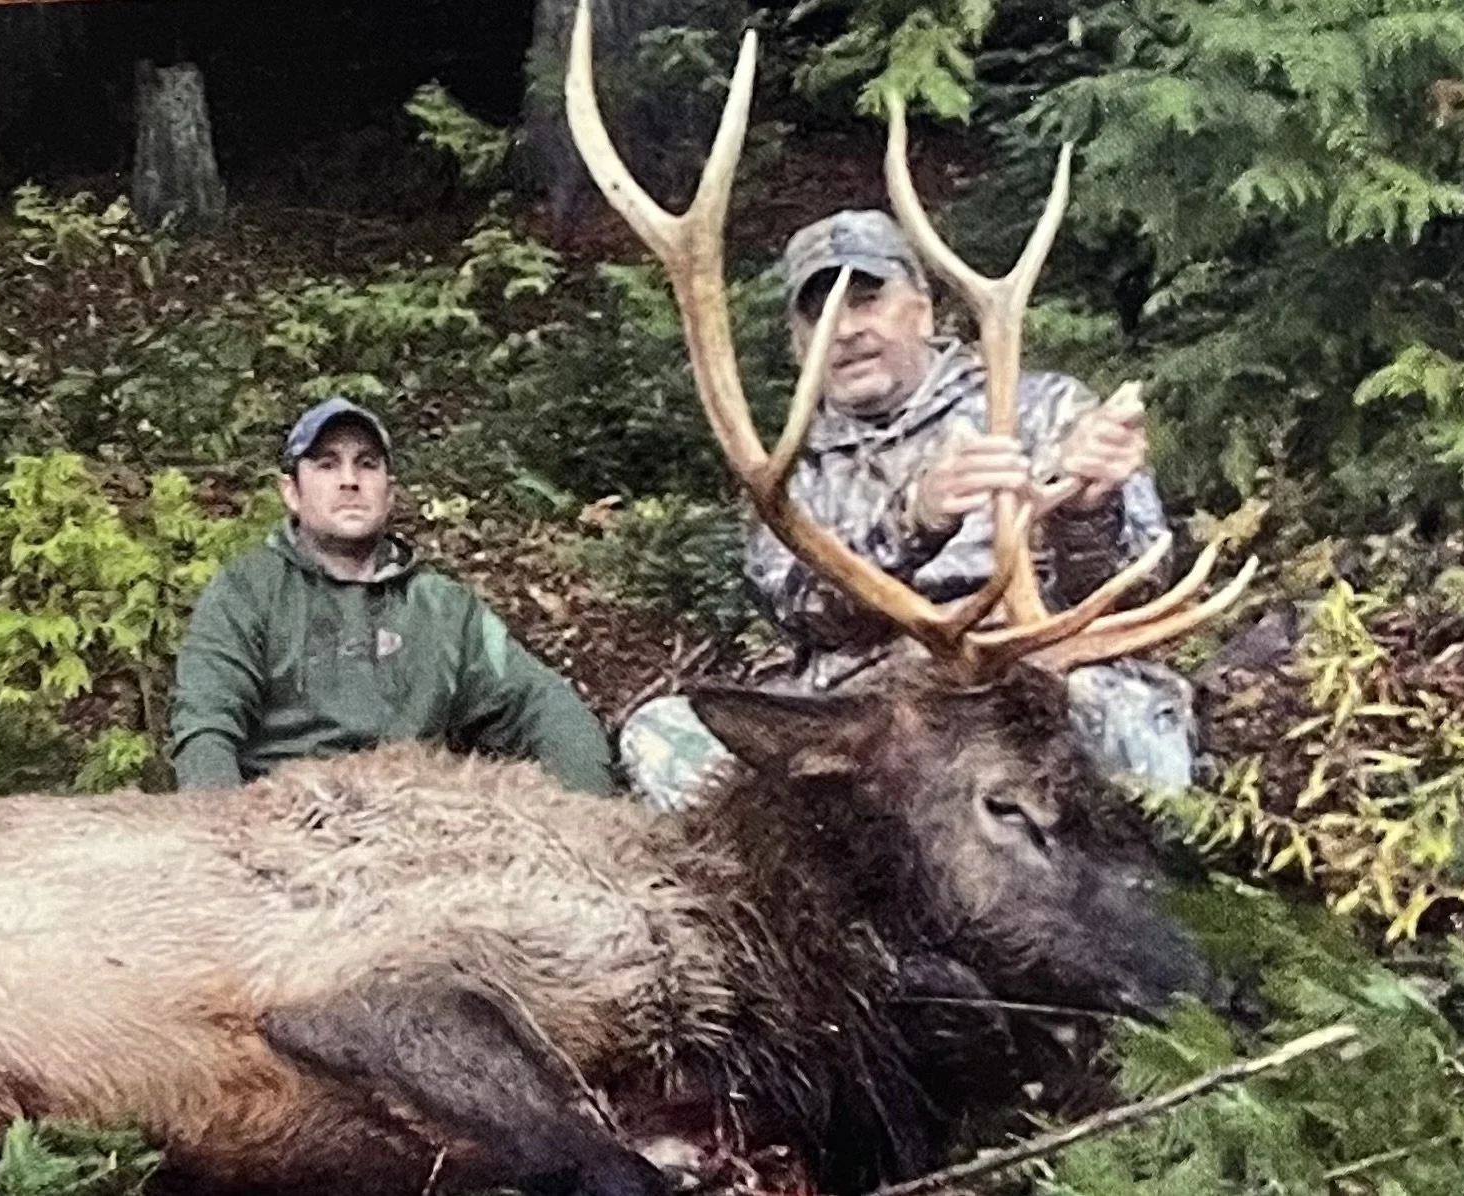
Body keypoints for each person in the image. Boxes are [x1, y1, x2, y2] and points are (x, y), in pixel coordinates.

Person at [621, 210, 1192, 812]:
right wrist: (912, 521)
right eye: (819, 314)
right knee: (664, 733)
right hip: (875, 710)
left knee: (1125, 715)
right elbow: (798, 612)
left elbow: (1136, 594)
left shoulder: (1048, 410)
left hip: (1025, 688)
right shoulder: (790, 467)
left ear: (921, 310)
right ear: (796, 343)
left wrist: (1085, 511)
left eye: (866, 300)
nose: (844, 331)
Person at [168, 398, 617, 795]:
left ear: (389, 492)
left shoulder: (445, 609)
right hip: (286, 824)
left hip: (413, 825)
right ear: (291, 491)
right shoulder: (247, 591)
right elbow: (206, 728)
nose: (349, 480)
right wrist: (223, 837)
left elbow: (542, 704)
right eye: (326, 464)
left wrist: (588, 814)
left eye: (367, 464)